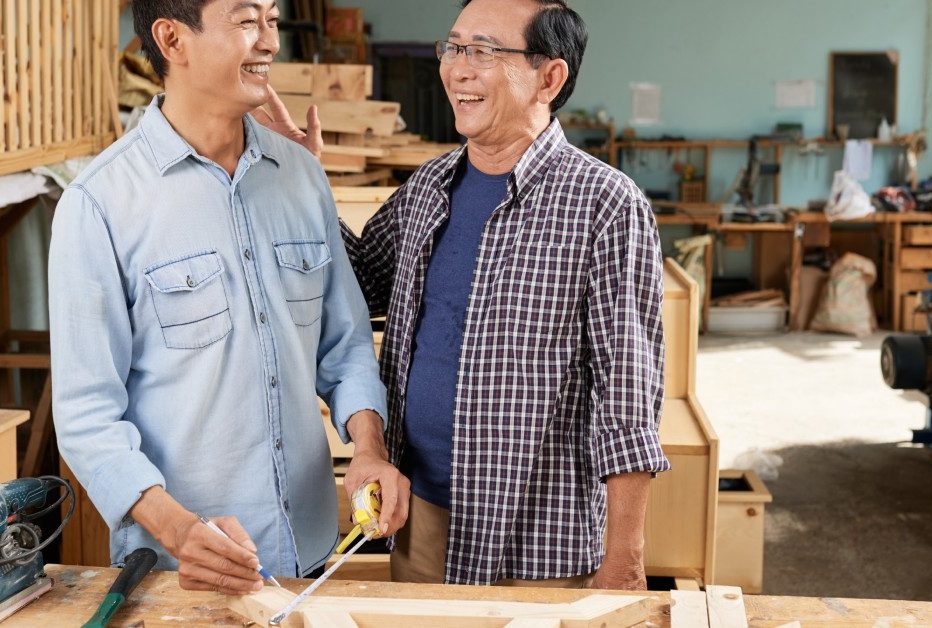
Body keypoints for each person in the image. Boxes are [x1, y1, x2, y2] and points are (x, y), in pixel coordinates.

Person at [48, 0, 408, 595]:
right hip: (181, 572)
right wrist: (180, 531)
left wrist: (368, 446)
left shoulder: (302, 176)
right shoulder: (99, 205)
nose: (268, 41)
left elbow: (344, 348)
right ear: (171, 38)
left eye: (271, 20)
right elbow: (89, 418)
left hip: (310, 554)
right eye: (246, 22)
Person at [341, 0, 668, 590]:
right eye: (454, 47)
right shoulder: (429, 187)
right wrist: (298, 186)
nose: (458, 69)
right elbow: (359, 282)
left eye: (484, 51)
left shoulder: (605, 205)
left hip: (537, 540)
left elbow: (629, 395)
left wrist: (625, 557)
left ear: (551, 77)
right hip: (421, 519)